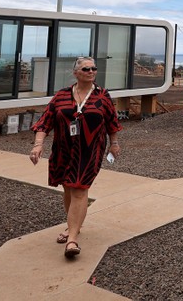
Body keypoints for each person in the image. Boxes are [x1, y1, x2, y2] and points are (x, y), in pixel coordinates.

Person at [29, 57, 122, 258]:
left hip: (91, 150)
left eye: (93, 68)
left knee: (79, 187)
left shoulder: (102, 95)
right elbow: (45, 122)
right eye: (86, 69)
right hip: (64, 149)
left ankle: (72, 239)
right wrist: (38, 145)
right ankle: (74, 225)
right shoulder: (62, 95)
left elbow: (112, 122)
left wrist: (114, 143)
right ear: (75, 73)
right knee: (68, 188)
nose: (91, 71)